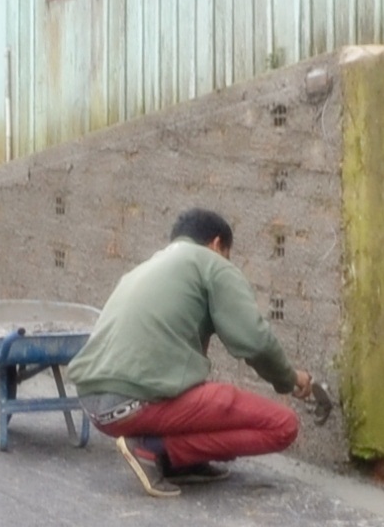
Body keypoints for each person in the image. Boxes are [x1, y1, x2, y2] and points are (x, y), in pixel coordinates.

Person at [70, 211, 320, 495]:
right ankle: (152, 449)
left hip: (94, 406)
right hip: (134, 402)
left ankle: (181, 462)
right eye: (227, 255)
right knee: (282, 425)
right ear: (217, 244)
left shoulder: (146, 268)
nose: (226, 261)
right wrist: (290, 379)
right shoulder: (212, 263)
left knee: (198, 392)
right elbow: (255, 342)